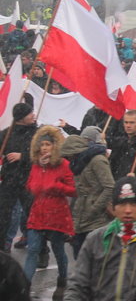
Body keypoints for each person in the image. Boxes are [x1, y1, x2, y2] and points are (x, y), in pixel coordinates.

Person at [23, 126, 75, 294]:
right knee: (32, 250)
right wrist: (35, 186)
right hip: (38, 213)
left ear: (54, 145)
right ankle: (25, 286)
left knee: (58, 249)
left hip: (56, 214)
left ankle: (62, 279)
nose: (44, 147)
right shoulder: (36, 164)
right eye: (42, 144)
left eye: (47, 144)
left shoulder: (63, 164)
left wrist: (56, 186)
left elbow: (73, 189)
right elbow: (30, 183)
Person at [60, 130, 114, 257]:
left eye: (70, 156)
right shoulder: (78, 164)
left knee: (93, 260)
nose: (69, 160)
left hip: (97, 221)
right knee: (79, 257)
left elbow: (109, 186)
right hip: (81, 218)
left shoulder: (97, 160)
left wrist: (94, 207)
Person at [0, 103, 38, 252]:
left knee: (33, 215)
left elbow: (43, 155)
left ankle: (41, 250)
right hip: (9, 180)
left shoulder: (36, 134)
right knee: (4, 215)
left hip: (29, 180)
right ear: (21, 118)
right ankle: (3, 247)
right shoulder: (6, 133)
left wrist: (23, 156)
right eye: (30, 113)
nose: (33, 115)